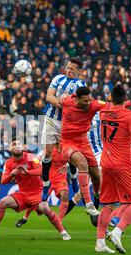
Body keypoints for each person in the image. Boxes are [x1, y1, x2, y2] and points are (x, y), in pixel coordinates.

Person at [49, 86, 131, 217]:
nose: (88, 103)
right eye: (85, 101)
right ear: (77, 99)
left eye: (90, 100)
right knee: (82, 164)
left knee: (96, 178)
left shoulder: (94, 105)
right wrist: (61, 96)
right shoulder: (67, 102)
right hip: (68, 142)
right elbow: (51, 99)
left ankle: (96, 197)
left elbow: (113, 106)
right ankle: (89, 204)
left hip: (84, 143)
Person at [95, 85, 131, 254]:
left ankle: (100, 243)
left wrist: (128, 102)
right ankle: (117, 231)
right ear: (125, 97)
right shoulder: (130, 115)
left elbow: (111, 107)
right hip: (122, 163)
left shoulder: (103, 112)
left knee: (107, 204)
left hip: (105, 163)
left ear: (111, 97)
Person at [0, 139, 71, 241]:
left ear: (23, 147)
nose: (17, 146)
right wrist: (12, 174)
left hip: (37, 192)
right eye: (14, 144)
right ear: (10, 148)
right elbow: (3, 181)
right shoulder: (8, 163)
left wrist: (27, 172)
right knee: (2, 202)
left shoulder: (31, 158)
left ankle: (63, 233)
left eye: (19, 144)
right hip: (23, 194)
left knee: (45, 208)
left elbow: (41, 170)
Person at [41, 58, 84, 200]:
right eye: (68, 67)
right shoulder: (58, 78)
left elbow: (82, 105)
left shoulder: (81, 85)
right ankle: (46, 183)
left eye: (72, 69)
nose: (69, 70)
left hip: (68, 123)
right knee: (47, 153)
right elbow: (48, 96)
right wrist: (63, 102)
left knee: (68, 153)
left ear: (79, 71)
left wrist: (69, 103)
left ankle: (73, 177)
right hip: (51, 119)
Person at [15, 144, 70, 227]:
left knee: (65, 195)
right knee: (36, 200)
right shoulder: (45, 151)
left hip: (60, 178)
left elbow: (73, 160)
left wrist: (67, 165)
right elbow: (37, 161)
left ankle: (59, 221)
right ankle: (24, 218)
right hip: (47, 180)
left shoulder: (66, 148)